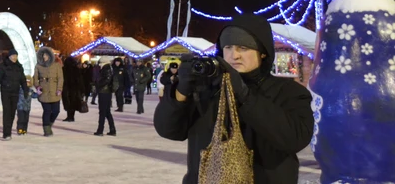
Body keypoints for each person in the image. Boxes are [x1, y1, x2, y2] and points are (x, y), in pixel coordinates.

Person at [154, 15, 315, 183]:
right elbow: (169, 130)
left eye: (243, 48)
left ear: (263, 53)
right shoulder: (207, 89)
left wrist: (245, 95)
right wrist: (181, 91)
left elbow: (295, 138)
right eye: (228, 47)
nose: (234, 55)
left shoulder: (288, 91)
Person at [0, 49, 27, 140]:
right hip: (6, 92)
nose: (14, 58)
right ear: (9, 57)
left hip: (15, 92)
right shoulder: (3, 66)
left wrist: (25, 90)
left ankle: (9, 130)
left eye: (16, 56)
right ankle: (6, 133)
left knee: (12, 112)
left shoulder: (19, 67)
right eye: (13, 56)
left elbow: (23, 80)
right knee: (7, 112)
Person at [33, 47, 63, 136]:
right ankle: (46, 129)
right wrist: (37, 86)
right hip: (44, 91)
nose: (44, 57)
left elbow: (60, 78)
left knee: (56, 111)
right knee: (47, 110)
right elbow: (35, 78)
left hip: (54, 91)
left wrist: (59, 89)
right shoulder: (38, 65)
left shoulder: (56, 65)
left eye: (46, 55)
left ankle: (49, 124)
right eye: (43, 55)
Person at [93, 59, 117, 136]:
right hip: (106, 92)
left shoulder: (106, 68)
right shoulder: (109, 68)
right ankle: (112, 129)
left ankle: (100, 130)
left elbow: (107, 79)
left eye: (100, 63)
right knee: (106, 111)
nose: (99, 65)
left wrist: (98, 84)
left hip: (104, 92)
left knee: (102, 111)